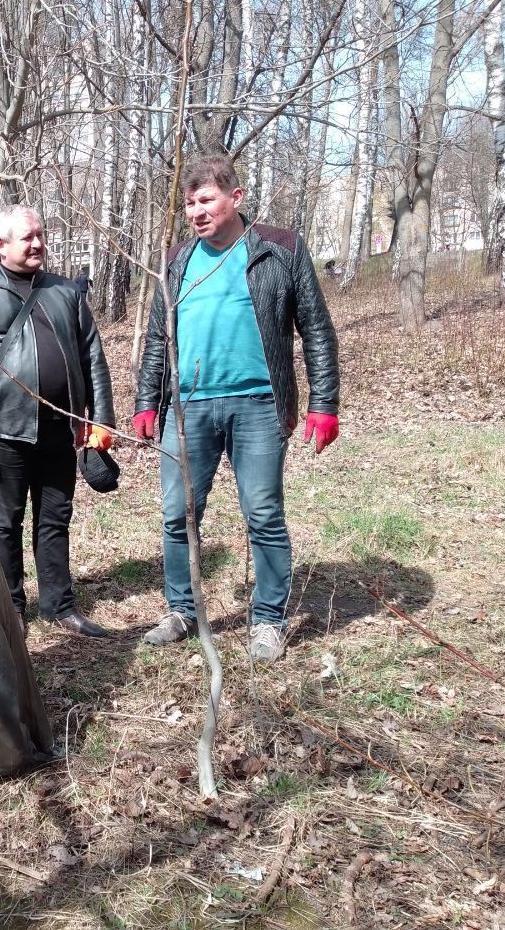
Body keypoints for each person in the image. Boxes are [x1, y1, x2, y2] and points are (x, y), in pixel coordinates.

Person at [134, 154, 340, 663]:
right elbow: (161, 338)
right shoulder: (177, 260)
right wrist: (146, 401)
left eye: (207, 201)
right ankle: (181, 610)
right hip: (188, 408)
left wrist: (324, 404)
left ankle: (269, 620)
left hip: (259, 405)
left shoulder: (280, 249)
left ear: (236, 199)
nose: (197, 212)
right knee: (178, 513)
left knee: (264, 514)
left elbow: (315, 327)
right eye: (189, 204)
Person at [0, 205, 115, 638]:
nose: (38, 243)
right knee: (6, 522)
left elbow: (93, 356)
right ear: (0, 246)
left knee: (56, 518)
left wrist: (101, 419)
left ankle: (60, 605)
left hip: (62, 429)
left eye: (40, 235)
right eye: (27, 237)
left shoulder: (65, 292)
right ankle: (10, 610)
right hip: (4, 432)